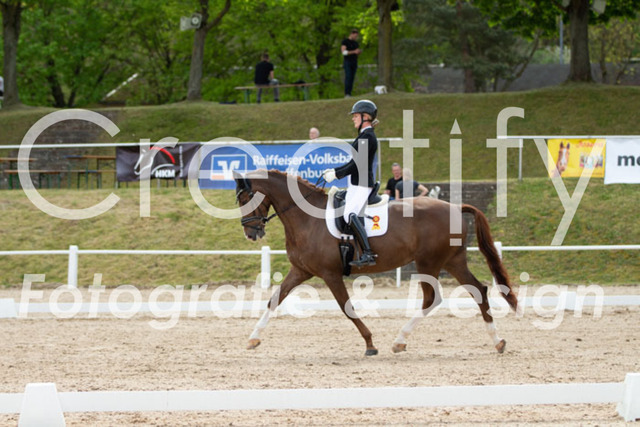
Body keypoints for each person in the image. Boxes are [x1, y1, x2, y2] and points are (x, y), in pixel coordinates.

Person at [322, 100, 378, 267]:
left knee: (349, 214)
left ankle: (368, 253)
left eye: (355, 116)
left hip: (362, 184)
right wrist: (334, 170)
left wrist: (336, 174)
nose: (353, 119)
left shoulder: (367, 137)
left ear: (365, 116)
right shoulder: (363, 136)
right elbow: (352, 163)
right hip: (356, 184)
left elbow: (356, 165)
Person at [341, 29, 361, 98]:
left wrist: (358, 52)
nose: (355, 37)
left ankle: (350, 92)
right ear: (351, 34)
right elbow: (344, 52)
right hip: (347, 62)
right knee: (348, 76)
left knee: (352, 77)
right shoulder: (345, 42)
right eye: (355, 36)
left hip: (354, 62)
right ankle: (347, 93)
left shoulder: (355, 43)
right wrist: (354, 52)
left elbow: (356, 51)